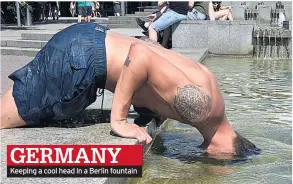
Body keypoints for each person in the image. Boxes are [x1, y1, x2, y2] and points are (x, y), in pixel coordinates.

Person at [0, 22, 259, 157]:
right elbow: (141, 54)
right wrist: (119, 120)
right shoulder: (202, 110)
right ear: (227, 151)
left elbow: (156, 51)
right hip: (83, 59)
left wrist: (154, 107)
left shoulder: (213, 97)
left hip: (91, 42)